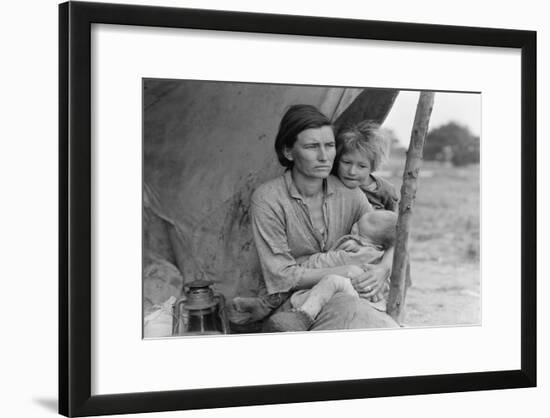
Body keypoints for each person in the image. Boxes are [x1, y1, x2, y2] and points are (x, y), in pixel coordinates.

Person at [233, 104, 398, 331]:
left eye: (329, 146)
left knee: (363, 316)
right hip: (296, 304)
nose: (324, 156)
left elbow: (389, 239)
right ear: (289, 152)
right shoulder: (268, 199)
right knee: (355, 318)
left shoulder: (350, 194)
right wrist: (343, 271)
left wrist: (382, 270)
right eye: (312, 146)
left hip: (347, 295)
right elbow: (282, 276)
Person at [266, 210, 397, 332]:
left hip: (357, 294)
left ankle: (305, 315)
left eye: (359, 235)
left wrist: (306, 263)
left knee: (332, 281)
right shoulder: (382, 255)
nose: (353, 232)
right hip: (373, 301)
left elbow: (326, 263)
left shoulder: (358, 252)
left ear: (377, 246)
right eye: (355, 225)